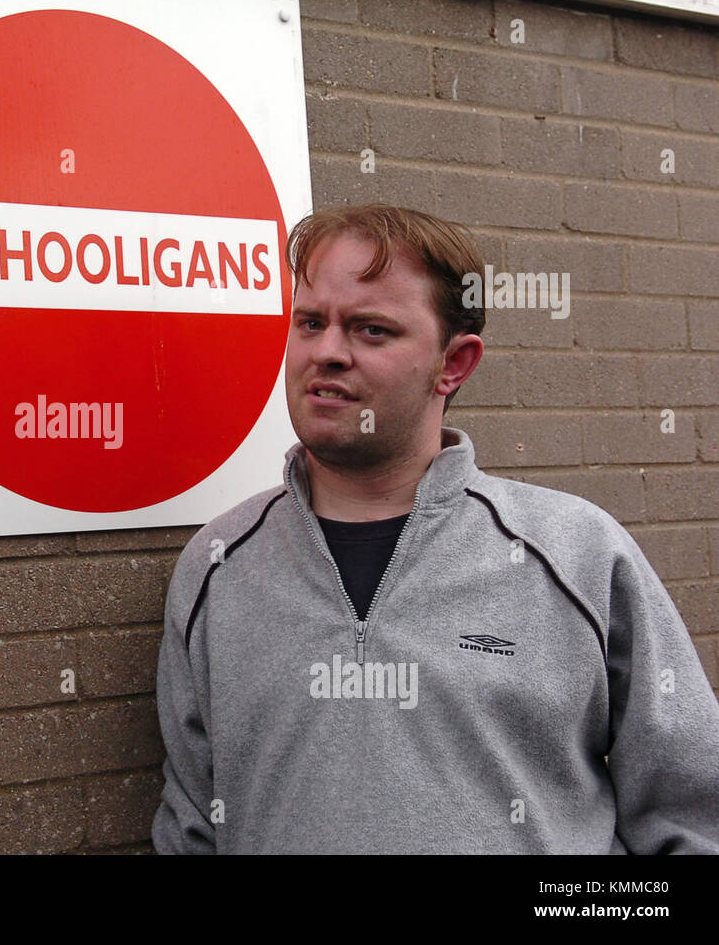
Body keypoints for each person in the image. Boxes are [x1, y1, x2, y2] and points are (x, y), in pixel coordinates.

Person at [153, 203, 719, 854]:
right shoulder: (218, 567)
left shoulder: (576, 556)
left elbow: (692, 815)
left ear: (454, 363)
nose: (327, 352)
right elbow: (191, 824)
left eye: (370, 330)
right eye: (310, 322)